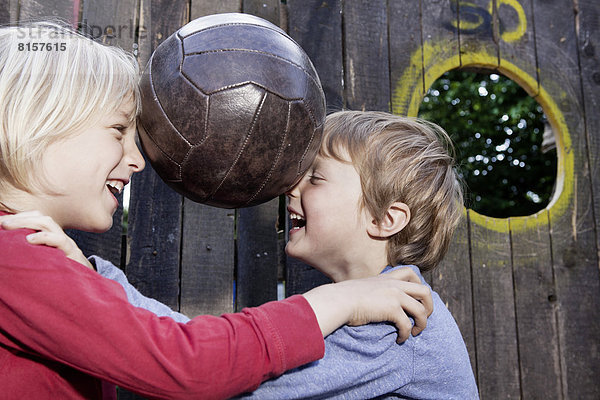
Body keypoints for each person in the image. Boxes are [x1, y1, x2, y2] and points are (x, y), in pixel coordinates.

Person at [0, 22, 433, 399]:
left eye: (316, 177)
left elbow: (177, 353)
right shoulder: (14, 258)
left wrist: (86, 280)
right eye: (118, 130)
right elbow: (191, 364)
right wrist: (334, 302)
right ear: (36, 126)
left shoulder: (406, 318)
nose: (137, 159)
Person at [231, 111, 479, 398]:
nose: (291, 188)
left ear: (383, 219)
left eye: (315, 178)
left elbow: (235, 383)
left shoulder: (394, 323)